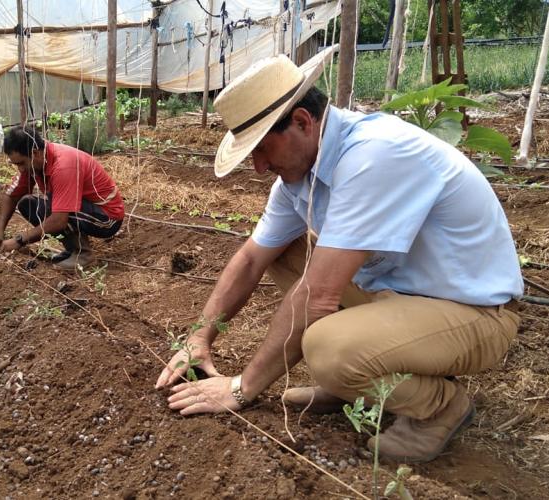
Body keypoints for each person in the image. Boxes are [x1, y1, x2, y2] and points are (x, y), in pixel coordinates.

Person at [154, 53, 523, 463]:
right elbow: (250, 261)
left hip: (473, 314)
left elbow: (318, 296)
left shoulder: (374, 156)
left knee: (328, 349)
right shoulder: (302, 176)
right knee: (287, 253)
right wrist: (200, 337)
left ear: (302, 122)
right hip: (400, 298)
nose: (258, 167)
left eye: (260, 149)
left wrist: (242, 387)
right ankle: (355, 381)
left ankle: (439, 406)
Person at [0, 126, 125, 269]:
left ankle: (83, 255)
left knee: (56, 206)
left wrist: (19, 240)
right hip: (85, 210)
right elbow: (11, 196)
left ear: (34, 153)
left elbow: (59, 220)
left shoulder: (64, 166)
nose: (20, 169)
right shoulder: (34, 161)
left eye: (21, 163)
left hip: (107, 217)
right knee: (27, 203)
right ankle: (72, 249)